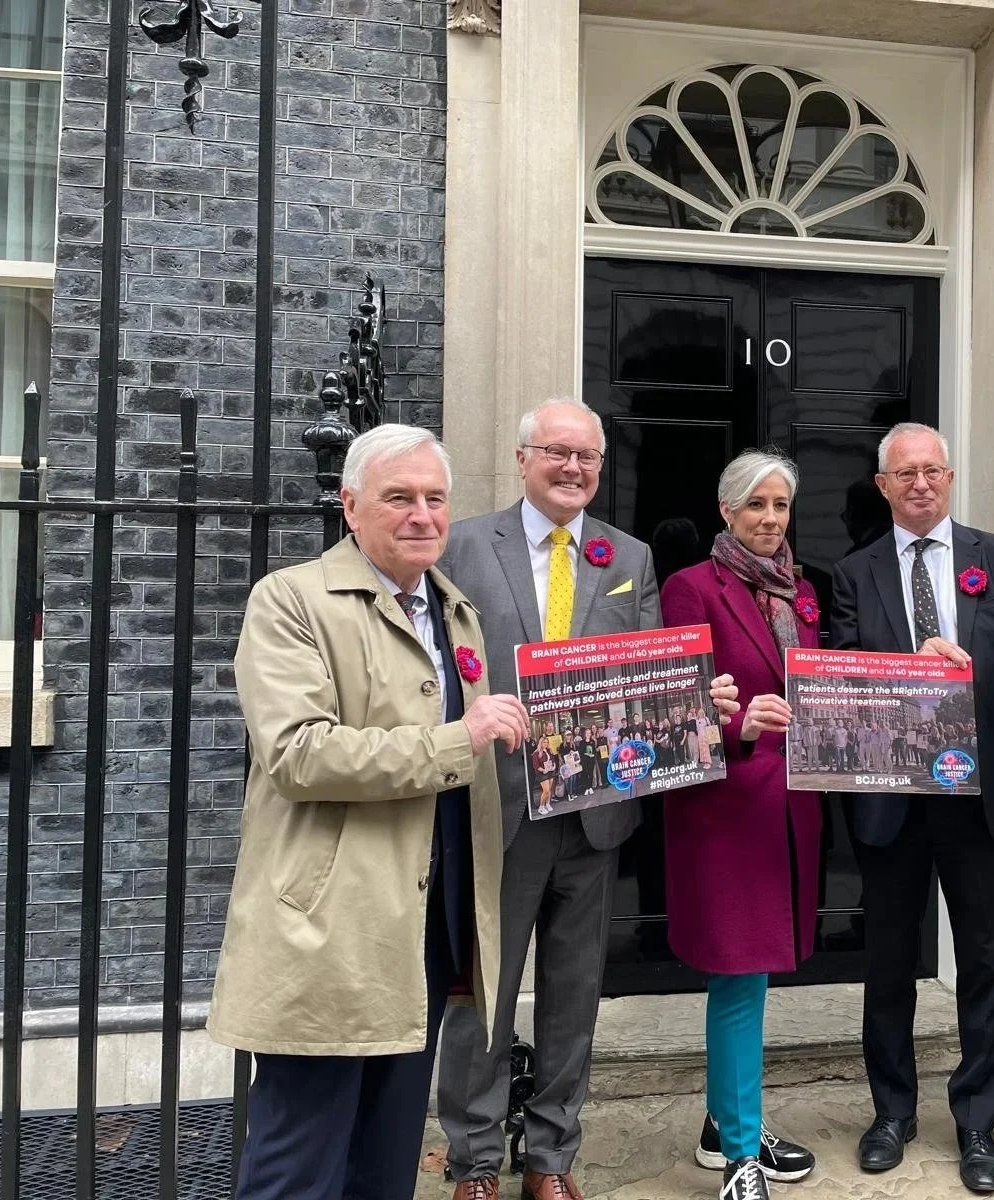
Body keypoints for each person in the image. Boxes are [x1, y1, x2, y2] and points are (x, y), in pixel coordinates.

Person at [207, 424, 532, 1200]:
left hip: (422, 929)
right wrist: (460, 738)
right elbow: (298, 753)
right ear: (351, 507)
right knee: (299, 1167)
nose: (422, 514)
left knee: (384, 1167)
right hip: (331, 931)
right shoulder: (290, 601)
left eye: (435, 498)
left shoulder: (454, 612)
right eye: (399, 497)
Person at [435, 398, 738, 1200]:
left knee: (573, 995)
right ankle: (471, 1161)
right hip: (495, 806)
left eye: (588, 459)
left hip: (596, 812)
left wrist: (701, 702)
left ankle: (551, 1157)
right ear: (522, 456)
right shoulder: (463, 546)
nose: (573, 470)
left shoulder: (627, 554)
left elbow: (650, 672)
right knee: (484, 993)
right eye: (557, 453)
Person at [829, 422, 994, 1195]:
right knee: (888, 962)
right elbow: (843, 675)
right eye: (906, 474)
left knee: (986, 963)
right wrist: (910, 663)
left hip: (983, 799)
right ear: (883, 485)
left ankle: (976, 1120)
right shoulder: (852, 574)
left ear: (950, 478)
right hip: (892, 800)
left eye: (933, 471)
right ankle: (891, 1112)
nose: (921, 484)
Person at [659, 450, 822, 1200]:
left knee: (754, 975)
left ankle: (725, 1125)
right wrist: (736, 723)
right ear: (726, 511)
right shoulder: (690, 588)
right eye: (755, 504)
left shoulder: (804, 591)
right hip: (723, 810)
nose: (769, 518)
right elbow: (670, 708)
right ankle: (739, 1161)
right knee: (737, 977)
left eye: (780, 505)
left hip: (789, 809)